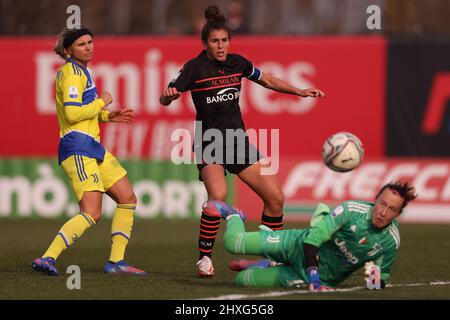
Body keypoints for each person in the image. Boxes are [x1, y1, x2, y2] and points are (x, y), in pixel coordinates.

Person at [159, 5, 325, 278]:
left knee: (275, 198)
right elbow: (165, 96)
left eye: (224, 40)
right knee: (218, 197)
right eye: (215, 41)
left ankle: (270, 257)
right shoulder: (194, 68)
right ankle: (204, 258)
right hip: (209, 142)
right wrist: (168, 96)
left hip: (237, 141)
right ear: (205, 43)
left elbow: (268, 80)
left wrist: (300, 91)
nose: (221, 46)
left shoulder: (238, 63)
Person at [31, 27, 146, 276]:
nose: (88, 47)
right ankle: (46, 257)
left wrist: (106, 116)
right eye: (82, 44)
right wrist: (102, 102)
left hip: (92, 146)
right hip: (78, 147)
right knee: (92, 212)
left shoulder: (82, 71)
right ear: (68, 50)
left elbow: (82, 111)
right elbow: (72, 115)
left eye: (90, 42)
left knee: (127, 197)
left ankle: (116, 262)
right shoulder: (72, 74)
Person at [204, 181, 417, 290]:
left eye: (391, 209)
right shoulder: (351, 210)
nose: (383, 212)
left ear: (398, 214)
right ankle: (234, 215)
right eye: (382, 204)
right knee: (232, 242)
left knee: (243, 281)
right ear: (375, 199)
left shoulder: (390, 242)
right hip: (296, 245)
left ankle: (266, 265)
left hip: (307, 277)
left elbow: (377, 282)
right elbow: (312, 239)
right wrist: (314, 278)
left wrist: (374, 276)